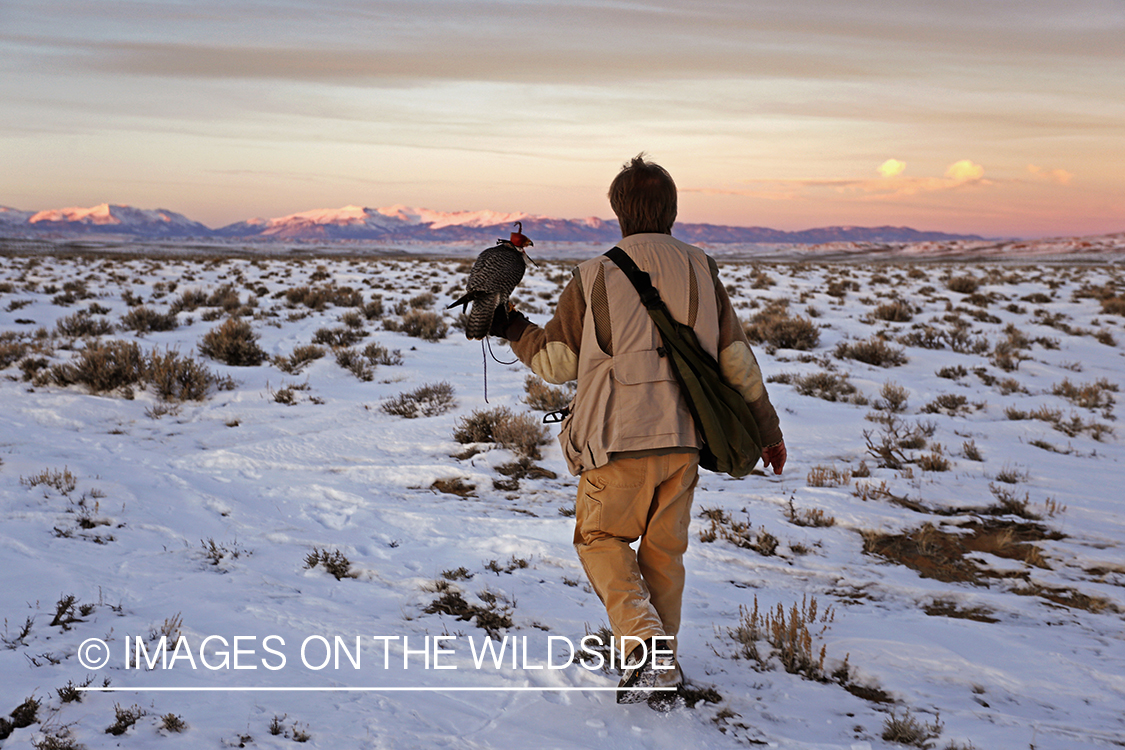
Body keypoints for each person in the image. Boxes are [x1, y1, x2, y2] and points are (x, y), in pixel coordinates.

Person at [491, 154, 786, 709]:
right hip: (683, 439)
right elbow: (737, 361)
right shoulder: (702, 267)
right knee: (663, 554)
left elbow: (557, 362)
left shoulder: (595, 273)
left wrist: (511, 326)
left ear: (618, 212)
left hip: (616, 436)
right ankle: (659, 668)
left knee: (600, 539)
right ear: (672, 210)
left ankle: (645, 647)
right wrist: (767, 430)